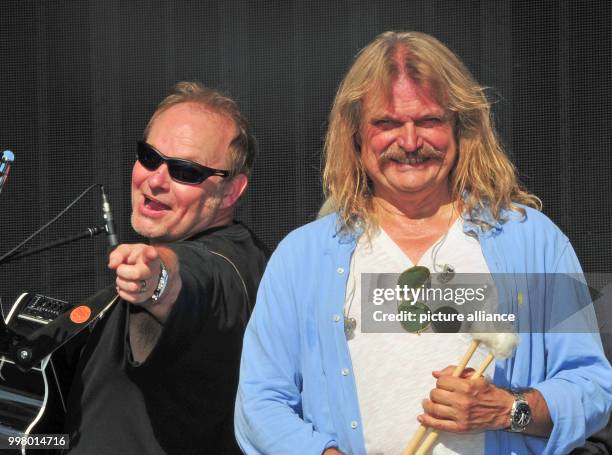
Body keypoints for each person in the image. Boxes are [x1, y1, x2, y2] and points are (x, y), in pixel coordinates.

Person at [235, 31, 612, 454]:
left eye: (429, 120)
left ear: (459, 127)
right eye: (387, 123)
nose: (410, 142)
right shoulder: (300, 258)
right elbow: (260, 402)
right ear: (356, 136)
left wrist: (507, 410)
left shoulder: (535, 241)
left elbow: (591, 386)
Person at [63, 81, 268, 454]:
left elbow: (194, 279)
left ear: (231, 191)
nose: (155, 180)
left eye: (186, 171)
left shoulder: (233, 264)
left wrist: (157, 279)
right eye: (149, 156)